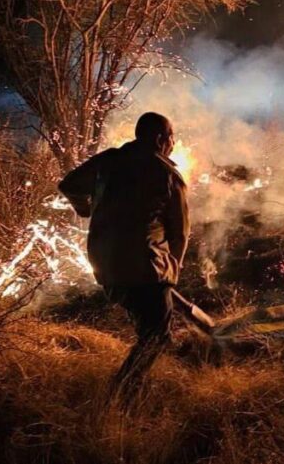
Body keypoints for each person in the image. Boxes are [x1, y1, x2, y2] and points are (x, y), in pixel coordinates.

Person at [58, 112, 190, 403]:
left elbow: (69, 185)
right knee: (157, 335)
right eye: (171, 137)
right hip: (146, 267)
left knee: (149, 326)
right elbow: (180, 234)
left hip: (104, 263)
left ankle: (133, 389)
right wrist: (172, 271)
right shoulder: (168, 175)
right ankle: (119, 396)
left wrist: (85, 208)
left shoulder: (109, 159)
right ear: (160, 139)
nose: (173, 143)